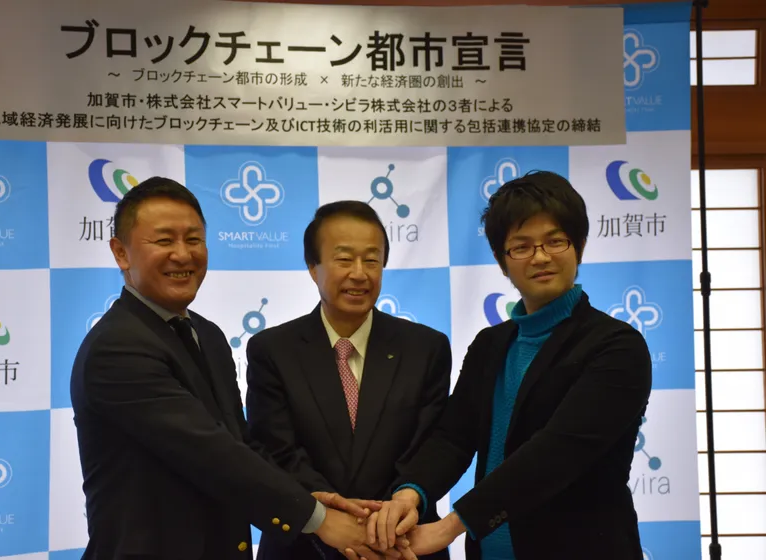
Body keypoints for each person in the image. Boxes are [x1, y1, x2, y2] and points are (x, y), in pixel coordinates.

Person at [70, 177, 387, 560]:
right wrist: (318, 518)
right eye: (164, 240)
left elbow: (240, 443)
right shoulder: (117, 347)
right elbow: (211, 453)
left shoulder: (207, 335)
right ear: (121, 253)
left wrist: (311, 497)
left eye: (194, 239)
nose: (183, 254)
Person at [363, 171, 652, 560]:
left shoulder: (617, 347)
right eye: (521, 246)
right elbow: (453, 437)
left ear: (579, 247)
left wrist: (449, 527)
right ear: (502, 262)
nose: (540, 257)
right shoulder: (490, 345)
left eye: (555, 241)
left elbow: (556, 453)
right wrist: (409, 493)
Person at [245, 201, 452, 560]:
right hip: (305, 545)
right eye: (344, 259)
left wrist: (387, 521)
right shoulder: (272, 350)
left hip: (403, 544)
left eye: (371, 260)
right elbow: (276, 449)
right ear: (313, 267)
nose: (359, 273)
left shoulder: (426, 348)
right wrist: (332, 517)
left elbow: (431, 445)